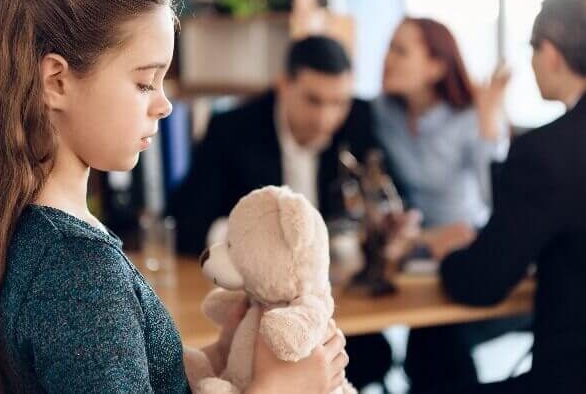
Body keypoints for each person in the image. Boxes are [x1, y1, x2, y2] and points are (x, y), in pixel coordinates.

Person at [0, 0, 348, 393]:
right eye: (144, 82)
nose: (163, 105)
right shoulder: (80, 272)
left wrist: (223, 356)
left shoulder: (34, 233)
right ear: (56, 82)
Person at [437, 0, 586, 393]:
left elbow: (481, 283)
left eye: (532, 48)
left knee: (435, 365)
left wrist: (446, 254)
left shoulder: (544, 151)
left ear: (551, 53)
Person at [169, 35, 417, 391]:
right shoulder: (233, 128)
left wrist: (393, 231)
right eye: (314, 100)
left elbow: (395, 196)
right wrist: (248, 249)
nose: (326, 117)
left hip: (335, 311)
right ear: (284, 85)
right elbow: (186, 221)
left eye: (338, 103)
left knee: (377, 358)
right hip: (253, 318)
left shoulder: (359, 119)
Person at [371, 17, 529, 392]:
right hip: (410, 249)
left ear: (437, 66)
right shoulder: (382, 112)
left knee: (433, 350)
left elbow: (497, 198)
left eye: (401, 50)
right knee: (426, 349)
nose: (387, 59)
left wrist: (491, 122)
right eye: (389, 47)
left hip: (463, 246)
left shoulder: (470, 115)